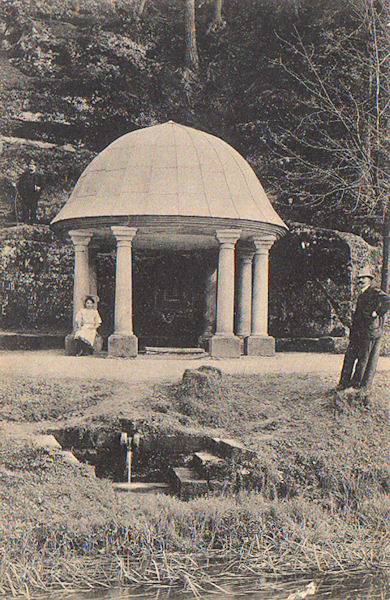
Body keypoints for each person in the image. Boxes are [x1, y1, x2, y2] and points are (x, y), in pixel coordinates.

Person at [337, 266, 390, 392]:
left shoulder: (374, 291)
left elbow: (388, 301)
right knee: (349, 358)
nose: (361, 280)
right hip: (357, 333)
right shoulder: (361, 293)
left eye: (363, 278)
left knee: (363, 361)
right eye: (359, 278)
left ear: (369, 279)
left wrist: (377, 312)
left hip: (368, 333)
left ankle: (356, 388)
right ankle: (343, 384)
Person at [16, 160, 43, 224]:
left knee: (34, 207)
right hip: (26, 194)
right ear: (28, 167)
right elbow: (20, 184)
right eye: (30, 166)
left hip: (34, 194)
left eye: (32, 166)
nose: (31, 168)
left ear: (35, 167)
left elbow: (43, 184)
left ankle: (33, 221)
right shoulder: (24, 175)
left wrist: (39, 187)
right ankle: (26, 221)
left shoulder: (38, 175)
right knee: (26, 207)